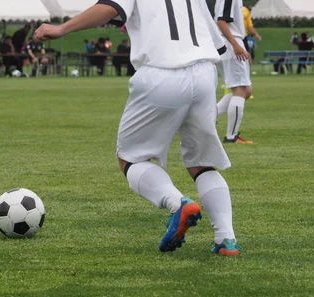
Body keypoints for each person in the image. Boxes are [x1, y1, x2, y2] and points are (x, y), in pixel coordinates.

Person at [33, 0, 241, 256]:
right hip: (205, 73)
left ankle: (178, 204)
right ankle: (226, 239)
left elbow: (111, 8)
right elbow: (216, 42)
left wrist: (61, 28)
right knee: (202, 163)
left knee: (130, 159)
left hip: (162, 72)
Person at [215, 0, 254, 144]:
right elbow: (221, 21)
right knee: (240, 89)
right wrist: (235, 45)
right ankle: (231, 136)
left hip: (229, 42)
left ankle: (210, 117)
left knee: (246, 90)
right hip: (231, 42)